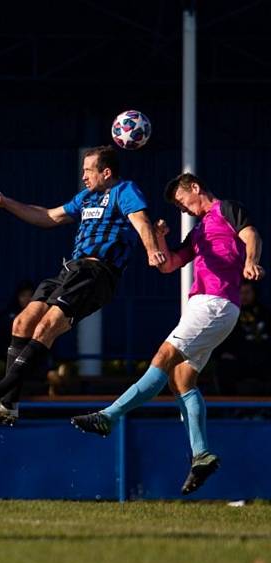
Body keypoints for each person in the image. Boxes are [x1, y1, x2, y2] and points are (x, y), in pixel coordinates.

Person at [71, 173, 264, 495]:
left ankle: (109, 415)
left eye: (182, 201)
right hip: (205, 307)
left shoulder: (227, 209)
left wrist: (252, 261)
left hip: (215, 303)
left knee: (162, 357)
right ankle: (201, 455)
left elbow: (251, 234)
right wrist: (159, 239)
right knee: (181, 381)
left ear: (196, 188)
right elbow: (170, 264)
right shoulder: (199, 230)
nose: (182, 209)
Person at [0, 145, 166, 424]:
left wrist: (152, 249)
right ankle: (8, 405)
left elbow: (141, 222)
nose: (84, 177)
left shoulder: (125, 190)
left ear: (106, 172)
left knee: (46, 327)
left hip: (96, 271)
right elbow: (48, 216)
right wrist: (6, 202)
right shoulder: (86, 198)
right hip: (70, 270)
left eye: (88, 171)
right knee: (22, 322)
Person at [213, 280, 271, 394]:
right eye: (241, 293)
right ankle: (231, 409)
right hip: (239, 361)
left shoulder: (265, 313)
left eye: (247, 292)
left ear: (254, 293)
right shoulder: (229, 314)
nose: (244, 296)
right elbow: (219, 339)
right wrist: (222, 354)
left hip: (264, 360)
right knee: (225, 367)